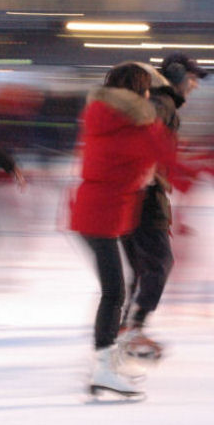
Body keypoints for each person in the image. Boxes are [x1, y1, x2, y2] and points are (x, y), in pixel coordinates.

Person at [116, 53, 214, 360]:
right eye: (193, 78)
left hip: (124, 193)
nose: (195, 85)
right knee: (158, 264)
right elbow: (148, 141)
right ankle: (132, 331)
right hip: (143, 194)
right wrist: (161, 170)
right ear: (177, 75)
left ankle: (124, 329)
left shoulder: (152, 101)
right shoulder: (162, 104)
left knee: (142, 268)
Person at [69, 61, 176, 398]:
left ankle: (105, 367)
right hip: (99, 214)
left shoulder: (104, 116)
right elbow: (171, 161)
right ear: (138, 91)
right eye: (147, 89)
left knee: (114, 290)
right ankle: (103, 370)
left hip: (95, 212)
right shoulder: (131, 125)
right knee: (114, 292)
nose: (150, 95)